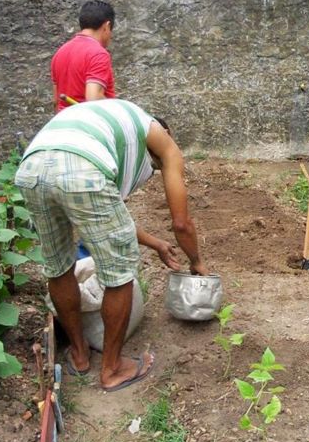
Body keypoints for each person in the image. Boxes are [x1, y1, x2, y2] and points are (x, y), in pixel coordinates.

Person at [15, 98, 208, 392]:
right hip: (83, 170)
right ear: (165, 134)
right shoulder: (163, 142)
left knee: (59, 265)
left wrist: (155, 244)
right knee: (119, 271)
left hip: (32, 168)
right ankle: (112, 368)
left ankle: (80, 355)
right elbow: (181, 223)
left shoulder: (111, 127)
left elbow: (108, 215)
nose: (154, 169)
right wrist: (196, 262)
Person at [51, 0, 116, 112]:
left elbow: (56, 101)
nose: (110, 36)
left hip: (63, 120)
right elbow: (93, 98)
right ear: (107, 26)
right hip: (89, 124)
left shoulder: (59, 53)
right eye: (111, 30)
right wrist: (119, 111)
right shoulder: (98, 53)